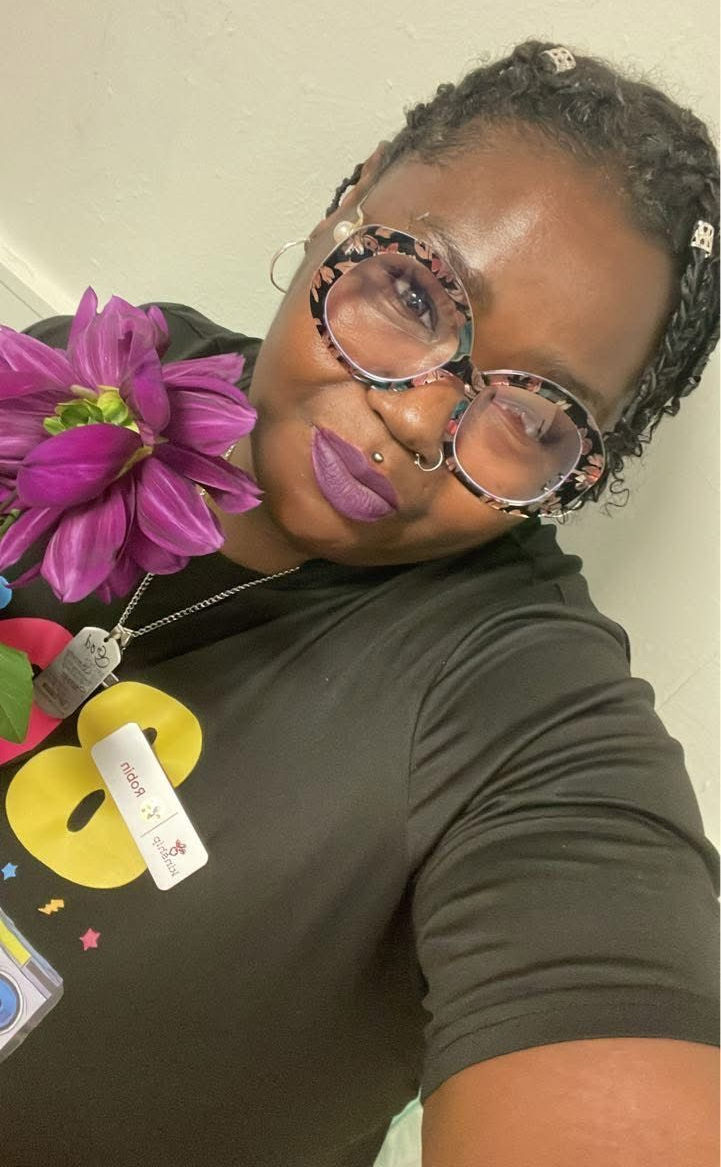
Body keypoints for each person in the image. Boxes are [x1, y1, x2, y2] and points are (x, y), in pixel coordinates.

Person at [0, 39, 718, 1167]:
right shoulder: (103, 370)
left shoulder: (523, 714)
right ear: (352, 201)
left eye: (533, 420)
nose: (423, 419)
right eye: (413, 291)